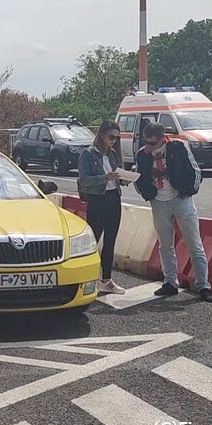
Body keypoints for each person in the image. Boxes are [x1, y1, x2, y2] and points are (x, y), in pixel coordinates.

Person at [134, 123, 212, 302]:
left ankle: (203, 285)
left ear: (163, 138)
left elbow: (195, 171)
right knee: (165, 245)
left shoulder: (178, 147)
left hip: (181, 199)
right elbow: (138, 178)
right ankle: (170, 282)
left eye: (153, 143)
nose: (149, 146)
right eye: (146, 142)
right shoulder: (142, 154)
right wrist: (148, 194)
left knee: (194, 244)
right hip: (159, 202)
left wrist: (187, 191)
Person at [77, 121, 127, 295]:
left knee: (111, 240)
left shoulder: (113, 154)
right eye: (111, 137)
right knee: (93, 240)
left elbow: (117, 176)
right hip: (98, 199)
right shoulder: (88, 154)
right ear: (101, 135)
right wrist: (104, 178)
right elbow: (83, 181)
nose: (114, 141)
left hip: (114, 198)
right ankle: (84, 278)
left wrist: (123, 178)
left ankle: (106, 279)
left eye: (117, 138)